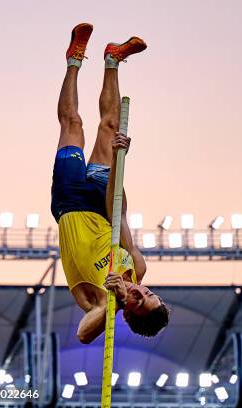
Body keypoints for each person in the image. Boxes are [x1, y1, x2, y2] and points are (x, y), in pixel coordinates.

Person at [51, 23, 169, 344]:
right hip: (104, 201)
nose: (141, 291)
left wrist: (113, 301)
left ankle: (74, 60)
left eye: (141, 300)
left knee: (72, 122)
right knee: (111, 127)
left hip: (70, 201)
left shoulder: (100, 302)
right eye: (150, 293)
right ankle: (113, 59)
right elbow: (120, 217)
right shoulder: (137, 267)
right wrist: (119, 160)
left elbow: (83, 334)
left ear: (129, 314)